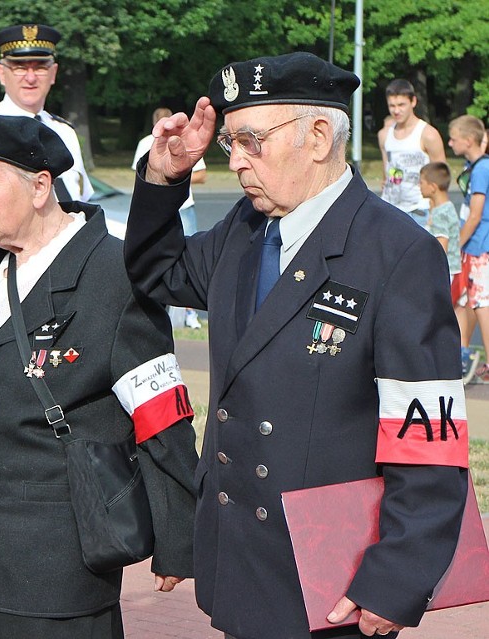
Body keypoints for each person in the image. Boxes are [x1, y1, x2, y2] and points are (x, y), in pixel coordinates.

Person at [124, 52, 469, 639]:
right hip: (245, 560)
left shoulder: (396, 252)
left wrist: (399, 576)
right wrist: (164, 178)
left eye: (249, 140)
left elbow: (427, 438)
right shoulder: (246, 228)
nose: (234, 162)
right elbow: (160, 272)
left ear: (316, 136)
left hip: (332, 578)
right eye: (229, 143)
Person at [0, 111, 197, 638]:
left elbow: (160, 410)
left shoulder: (113, 274)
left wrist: (177, 536)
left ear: (41, 186)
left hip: (56, 572)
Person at [0, 23, 93, 227]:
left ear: (53, 73)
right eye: (19, 67)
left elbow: (81, 203)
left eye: (40, 67)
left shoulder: (65, 133)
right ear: (1, 73)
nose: (30, 77)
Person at [133, 106, 207, 329]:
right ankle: (157, 313)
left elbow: (202, 175)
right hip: (161, 207)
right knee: (158, 259)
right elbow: (139, 172)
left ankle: (189, 314)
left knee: (190, 264)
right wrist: (160, 175)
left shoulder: (183, 139)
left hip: (185, 205)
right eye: (162, 122)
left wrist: (177, 172)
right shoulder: (146, 143)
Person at [449, 115, 489, 382]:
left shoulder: (482, 169)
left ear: (469, 140)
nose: (450, 142)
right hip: (471, 247)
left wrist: (456, 245)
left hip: (479, 247)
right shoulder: (472, 165)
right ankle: (460, 354)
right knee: (463, 301)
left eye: (453, 138)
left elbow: (475, 215)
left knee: (482, 304)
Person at [378, 79, 445, 219]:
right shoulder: (384, 135)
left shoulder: (428, 134)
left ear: (413, 102)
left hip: (419, 211)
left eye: (401, 105)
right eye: (392, 106)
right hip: (390, 209)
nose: (396, 111)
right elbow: (387, 172)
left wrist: (436, 215)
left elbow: (441, 178)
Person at [418, 162, 461, 282]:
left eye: (421, 182)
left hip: (445, 273)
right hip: (453, 270)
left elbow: (441, 246)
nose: (419, 186)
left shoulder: (440, 213)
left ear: (433, 187)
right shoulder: (447, 207)